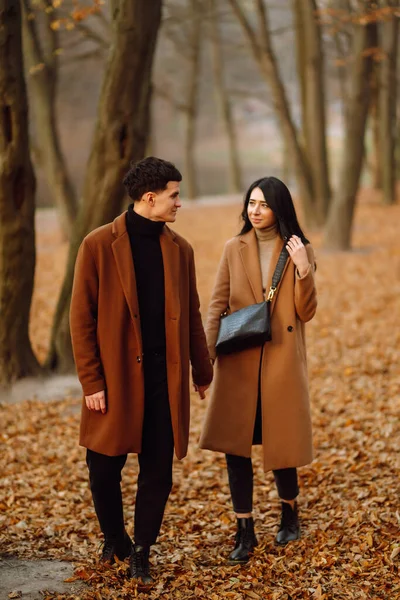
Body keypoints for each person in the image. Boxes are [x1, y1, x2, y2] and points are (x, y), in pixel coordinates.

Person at [70, 157, 213, 583]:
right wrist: (91, 381)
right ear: (149, 198)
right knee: (102, 468)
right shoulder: (97, 244)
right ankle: (115, 537)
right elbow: (80, 319)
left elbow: (191, 315)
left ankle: (142, 552)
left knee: (157, 471)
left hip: (162, 381)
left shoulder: (180, 249)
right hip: (113, 379)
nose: (179, 203)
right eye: (174, 195)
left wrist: (201, 371)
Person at [199, 176, 317, 564]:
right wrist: (206, 361)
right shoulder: (235, 247)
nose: (255, 210)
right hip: (239, 358)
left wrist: (303, 270)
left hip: (280, 358)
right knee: (236, 447)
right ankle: (244, 529)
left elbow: (306, 312)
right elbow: (217, 304)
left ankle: (289, 514)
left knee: (280, 444)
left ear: (279, 208)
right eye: (251, 202)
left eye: (264, 204)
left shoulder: (298, 249)